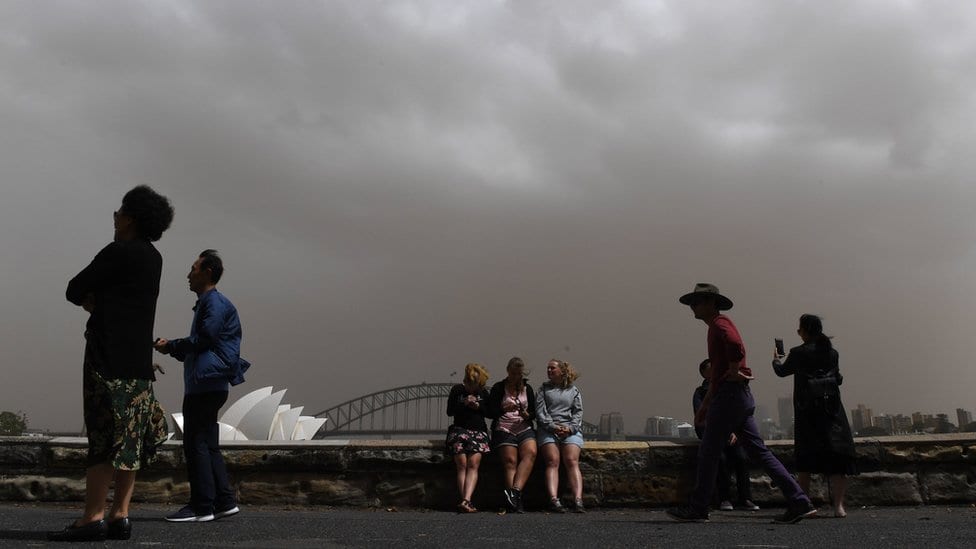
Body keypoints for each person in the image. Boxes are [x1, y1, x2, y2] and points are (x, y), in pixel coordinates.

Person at [50, 186, 174, 542]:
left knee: (102, 438)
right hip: (137, 362)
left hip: (107, 359)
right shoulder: (154, 258)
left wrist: (95, 302)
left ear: (130, 218)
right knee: (130, 440)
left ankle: (92, 517)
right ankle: (121, 514)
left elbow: (74, 288)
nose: (115, 218)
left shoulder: (117, 252)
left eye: (118, 213)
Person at [667, 283, 816, 524]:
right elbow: (717, 376)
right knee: (759, 452)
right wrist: (705, 406)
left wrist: (736, 368)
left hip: (729, 397)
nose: (693, 307)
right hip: (736, 397)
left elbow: (735, 344)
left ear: (711, 303)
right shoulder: (716, 326)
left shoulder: (719, 324)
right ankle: (799, 500)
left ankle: (698, 507)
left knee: (708, 452)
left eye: (698, 301)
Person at [154, 250, 249, 522]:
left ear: (208, 272)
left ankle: (201, 506)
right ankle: (224, 502)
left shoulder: (214, 303)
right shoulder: (210, 303)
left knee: (195, 443)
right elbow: (202, 344)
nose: (188, 274)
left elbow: (205, 340)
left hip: (204, 385)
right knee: (208, 444)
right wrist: (171, 348)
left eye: (193, 268)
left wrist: (172, 345)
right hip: (211, 384)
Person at [773, 314, 856, 518]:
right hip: (832, 409)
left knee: (806, 459)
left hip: (807, 410)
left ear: (806, 331)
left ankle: (805, 505)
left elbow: (782, 372)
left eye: (799, 329)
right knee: (837, 457)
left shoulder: (798, 353)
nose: (798, 332)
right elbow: (838, 377)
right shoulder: (832, 352)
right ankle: (839, 507)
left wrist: (775, 359)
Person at [693, 359, 760, 512]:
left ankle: (746, 498)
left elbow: (735, 412)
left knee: (741, 458)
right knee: (720, 459)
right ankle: (725, 498)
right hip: (712, 432)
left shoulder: (726, 387)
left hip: (730, 432)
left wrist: (734, 431)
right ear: (704, 374)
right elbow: (701, 417)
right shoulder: (700, 392)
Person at [487, 356, 537, 513]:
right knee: (510, 461)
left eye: (519, 374)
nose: (516, 377)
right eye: (513, 373)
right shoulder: (498, 388)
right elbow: (489, 412)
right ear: (508, 371)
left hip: (524, 427)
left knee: (531, 452)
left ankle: (514, 493)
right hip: (504, 428)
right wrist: (503, 409)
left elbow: (534, 413)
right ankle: (515, 502)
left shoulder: (527, 389)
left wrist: (527, 414)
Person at [536, 359, 585, 513]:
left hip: (569, 429)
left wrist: (570, 429)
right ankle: (553, 499)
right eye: (548, 368)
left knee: (571, 460)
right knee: (553, 460)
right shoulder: (543, 390)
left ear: (561, 371)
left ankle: (578, 499)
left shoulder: (573, 390)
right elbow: (540, 413)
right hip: (548, 429)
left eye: (552, 368)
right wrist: (554, 427)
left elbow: (578, 412)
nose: (549, 371)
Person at [445, 363, 491, 513]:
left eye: (474, 384)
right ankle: (466, 500)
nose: (470, 387)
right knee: (462, 464)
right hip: (459, 430)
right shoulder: (457, 390)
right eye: (469, 383)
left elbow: (490, 412)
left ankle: (466, 500)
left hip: (478, 431)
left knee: (473, 463)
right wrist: (464, 403)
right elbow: (450, 411)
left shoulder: (483, 393)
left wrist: (478, 407)